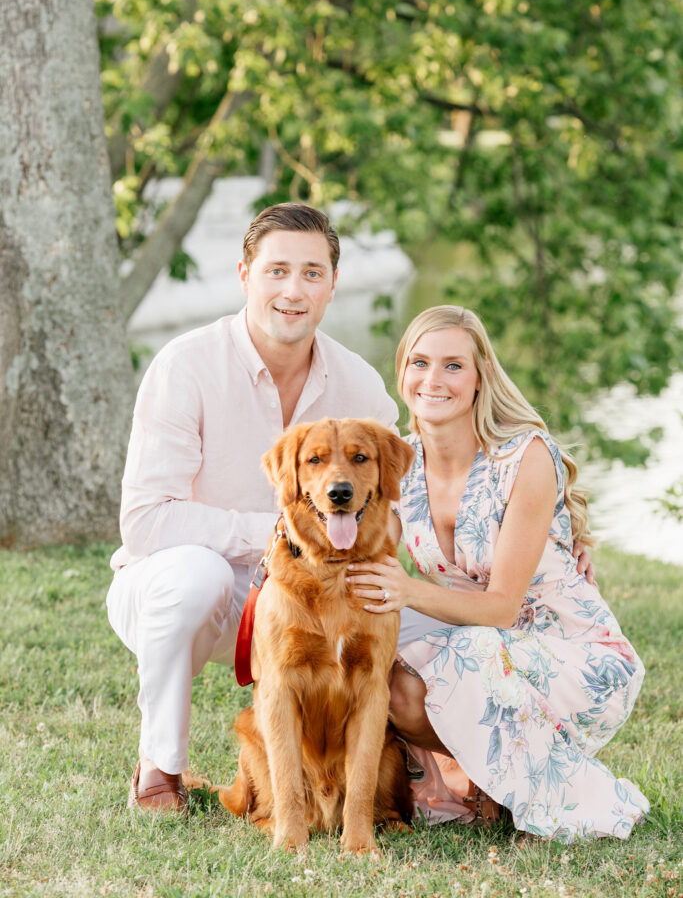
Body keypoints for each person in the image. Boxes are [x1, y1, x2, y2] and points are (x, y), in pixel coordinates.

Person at [106, 202, 400, 812]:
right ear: (245, 274)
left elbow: (405, 500)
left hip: (322, 590)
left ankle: (431, 777)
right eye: (277, 271)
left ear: (332, 285)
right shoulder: (185, 365)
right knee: (196, 578)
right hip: (201, 591)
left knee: (410, 619)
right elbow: (143, 522)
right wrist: (272, 534)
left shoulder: (361, 384)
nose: (294, 291)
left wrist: (558, 530)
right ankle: (160, 770)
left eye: (313, 273)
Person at [348, 305, 649, 841]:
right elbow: (360, 546)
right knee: (387, 676)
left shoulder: (524, 457)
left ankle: (567, 802)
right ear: (401, 372)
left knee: (468, 651)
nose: (433, 380)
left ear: (481, 377)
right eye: (419, 362)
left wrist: (408, 590)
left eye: (453, 366)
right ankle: (495, 781)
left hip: (577, 659)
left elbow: (502, 608)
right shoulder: (401, 462)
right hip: (489, 651)